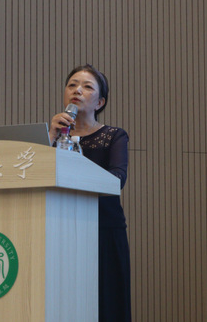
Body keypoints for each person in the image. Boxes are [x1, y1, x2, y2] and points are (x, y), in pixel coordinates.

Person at [50, 64, 131, 322]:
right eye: (72, 85)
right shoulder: (52, 137)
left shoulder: (114, 136)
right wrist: (51, 137)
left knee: (105, 304)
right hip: (58, 229)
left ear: (100, 102)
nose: (77, 91)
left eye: (87, 87)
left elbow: (117, 179)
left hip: (102, 231)